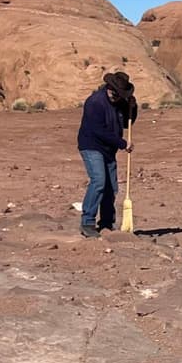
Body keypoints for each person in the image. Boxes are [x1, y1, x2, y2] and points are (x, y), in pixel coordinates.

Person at [76, 70, 137, 238]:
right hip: (92, 146)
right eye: (117, 94)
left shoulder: (119, 102)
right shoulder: (95, 103)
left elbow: (126, 122)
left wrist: (133, 106)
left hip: (109, 149)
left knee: (111, 187)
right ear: (110, 88)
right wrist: (123, 144)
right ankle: (87, 222)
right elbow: (99, 131)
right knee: (99, 181)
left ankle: (106, 223)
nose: (118, 98)